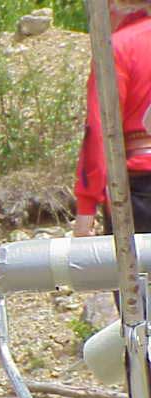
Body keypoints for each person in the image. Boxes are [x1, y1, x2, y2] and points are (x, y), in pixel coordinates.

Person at [74, 0, 151, 238]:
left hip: (139, 192)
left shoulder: (115, 49)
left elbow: (100, 131)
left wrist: (86, 208)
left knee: (136, 273)